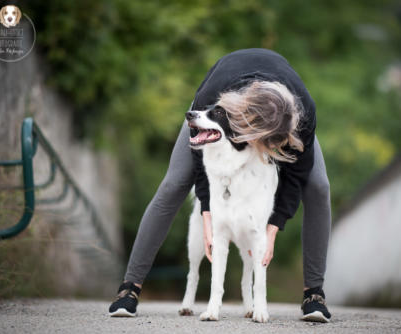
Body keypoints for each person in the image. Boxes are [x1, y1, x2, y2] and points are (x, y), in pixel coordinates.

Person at [109, 48, 332, 322]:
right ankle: (129, 288)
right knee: (175, 182)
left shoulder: (303, 113)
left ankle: (314, 294)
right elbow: (200, 160)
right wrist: (207, 212)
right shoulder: (211, 96)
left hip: (283, 115)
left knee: (319, 186)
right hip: (220, 105)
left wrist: (273, 227)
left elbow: (296, 175)